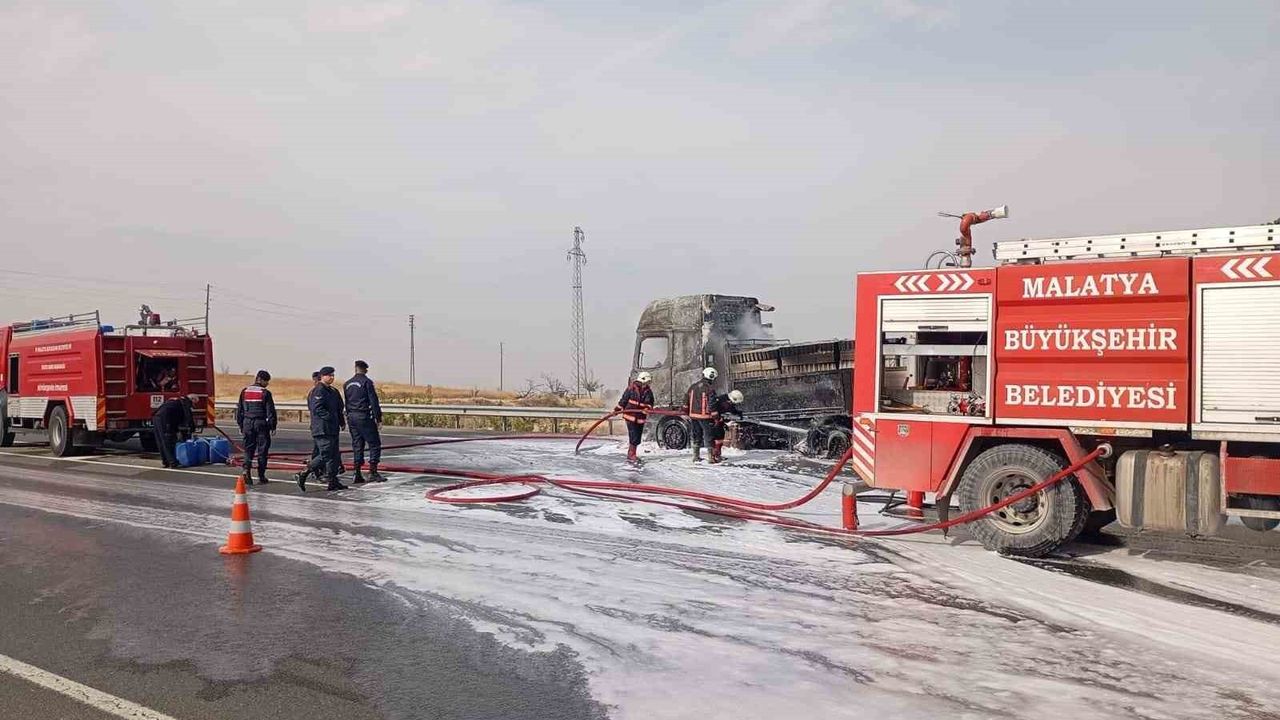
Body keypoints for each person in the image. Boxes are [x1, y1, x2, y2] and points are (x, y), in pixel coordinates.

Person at [295, 367, 347, 492]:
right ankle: (303, 473)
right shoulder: (318, 390)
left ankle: (333, 481)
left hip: (332, 428)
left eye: (333, 375)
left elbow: (339, 408)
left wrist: (341, 421)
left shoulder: (333, 391)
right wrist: (330, 418)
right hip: (322, 428)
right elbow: (317, 408)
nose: (332, 377)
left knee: (334, 455)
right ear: (322, 376)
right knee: (325, 454)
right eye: (329, 375)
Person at [344, 360, 385, 483]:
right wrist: (378, 418)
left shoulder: (347, 384)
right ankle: (373, 471)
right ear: (365, 370)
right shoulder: (367, 382)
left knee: (357, 444)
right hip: (364, 417)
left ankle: (356, 473)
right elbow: (373, 401)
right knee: (374, 444)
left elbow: (347, 402)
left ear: (355, 369)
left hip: (352, 417)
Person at [235, 370, 277, 485]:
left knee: (249, 449)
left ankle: (246, 471)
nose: (267, 384)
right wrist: (273, 426)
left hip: (247, 423)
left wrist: (241, 425)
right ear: (260, 380)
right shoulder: (265, 393)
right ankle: (261, 476)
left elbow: (239, 411)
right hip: (261, 423)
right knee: (262, 450)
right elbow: (270, 412)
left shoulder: (244, 391)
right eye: (266, 381)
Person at [614, 371, 654, 466]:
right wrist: (617, 410)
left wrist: (647, 409)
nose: (648, 384)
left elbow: (650, 403)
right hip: (630, 417)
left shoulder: (648, 391)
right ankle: (631, 454)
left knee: (638, 437)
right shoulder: (631, 389)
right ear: (642, 380)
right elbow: (623, 400)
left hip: (640, 418)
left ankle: (632, 453)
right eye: (647, 382)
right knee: (633, 435)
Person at [152, 394, 197, 468]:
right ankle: (172, 462)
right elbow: (188, 417)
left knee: (161, 441)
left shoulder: (177, 400)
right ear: (192, 399)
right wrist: (192, 429)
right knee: (168, 440)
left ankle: (166, 461)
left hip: (157, 418)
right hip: (165, 419)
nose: (193, 405)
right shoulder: (185, 402)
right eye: (194, 403)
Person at [686, 367, 719, 463]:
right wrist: (716, 416)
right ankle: (711, 458)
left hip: (694, 416)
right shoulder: (709, 388)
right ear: (711, 377)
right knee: (709, 436)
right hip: (705, 417)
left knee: (697, 435)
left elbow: (686, 400)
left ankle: (696, 456)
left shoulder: (693, 387)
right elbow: (712, 404)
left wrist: (687, 411)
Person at [708, 389, 744, 464]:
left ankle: (717, 455)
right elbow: (713, 410)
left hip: (720, 421)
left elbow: (732, 409)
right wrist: (717, 419)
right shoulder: (720, 400)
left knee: (720, 437)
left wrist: (738, 413)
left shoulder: (728, 401)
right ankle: (713, 456)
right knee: (714, 438)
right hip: (713, 421)